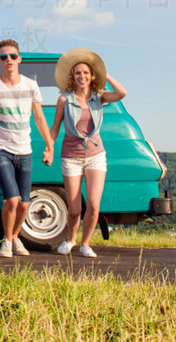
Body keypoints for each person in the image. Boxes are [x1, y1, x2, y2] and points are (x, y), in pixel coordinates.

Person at [0, 39, 54, 258]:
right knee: (12, 199)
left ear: (19, 59)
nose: (8, 60)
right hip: (0, 148)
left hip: (25, 150)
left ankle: (15, 237)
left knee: (25, 204)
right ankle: (7, 241)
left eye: (12, 56)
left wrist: (49, 146)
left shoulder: (30, 85)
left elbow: (39, 117)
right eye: (3, 57)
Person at [49, 47, 126, 258]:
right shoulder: (64, 100)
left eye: (85, 73)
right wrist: (49, 148)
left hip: (95, 155)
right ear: (72, 77)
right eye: (77, 73)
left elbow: (122, 93)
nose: (81, 76)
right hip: (71, 156)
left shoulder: (98, 97)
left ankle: (85, 243)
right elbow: (55, 128)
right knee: (74, 209)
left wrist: (104, 74)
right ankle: (71, 239)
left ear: (91, 76)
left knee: (93, 204)